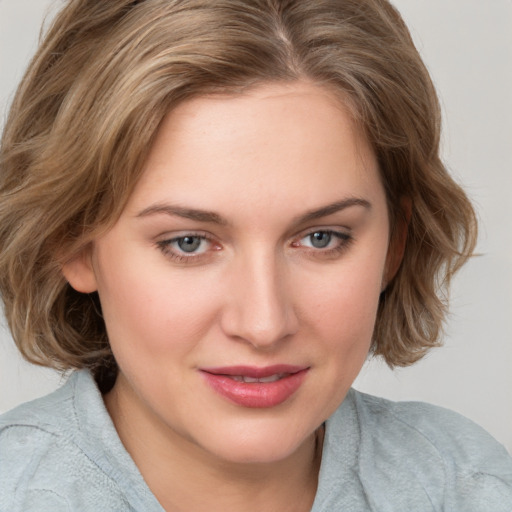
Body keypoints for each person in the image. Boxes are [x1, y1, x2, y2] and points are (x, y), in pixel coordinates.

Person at [0, 0, 511, 510]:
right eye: (189, 243)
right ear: (72, 240)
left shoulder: (468, 488)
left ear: (394, 243)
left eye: (321, 238)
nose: (264, 325)